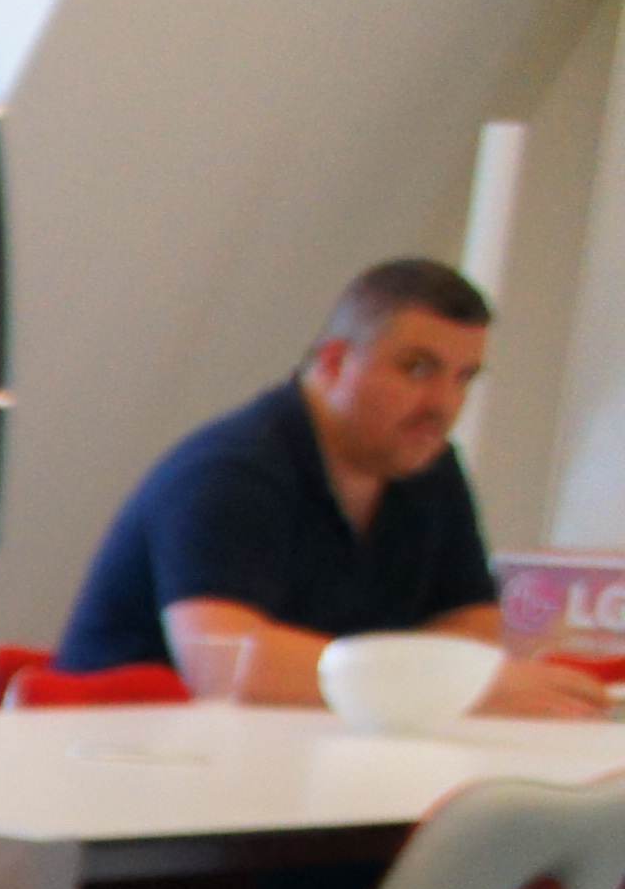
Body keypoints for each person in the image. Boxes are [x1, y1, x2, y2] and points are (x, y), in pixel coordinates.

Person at [58, 256, 596, 715]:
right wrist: (448, 685)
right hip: (128, 764)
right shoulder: (230, 469)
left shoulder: (427, 465)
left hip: (286, 759)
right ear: (335, 361)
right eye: (417, 369)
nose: (444, 405)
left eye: (464, 378)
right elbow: (225, 663)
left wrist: (432, 680)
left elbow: (472, 626)